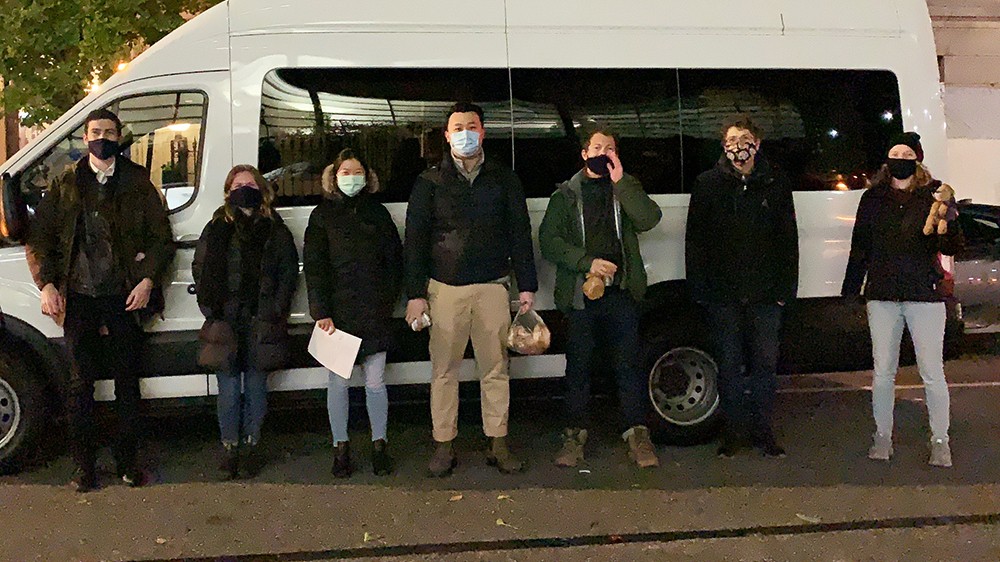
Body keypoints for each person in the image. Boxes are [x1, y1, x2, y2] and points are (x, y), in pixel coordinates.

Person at [28, 108, 175, 492]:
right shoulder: (66, 183)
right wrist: (46, 284)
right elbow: (40, 237)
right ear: (85, 138)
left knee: (128, 382)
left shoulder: (138, 182)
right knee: (81, 385)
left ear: (119, 136)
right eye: (96, 132)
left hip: (125, 295)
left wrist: (147, 281)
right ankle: (84, 468)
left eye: (109, 132)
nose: (103, 138)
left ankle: (127, 463)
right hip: (78, 297)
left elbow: (162, 238)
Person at [404, 102, 538, 476]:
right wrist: (415, 294)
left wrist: (526, 285)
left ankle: (498, 442)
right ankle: (444, 445)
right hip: (444, 290)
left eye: (472, 126)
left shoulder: (504, 178)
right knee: (444, 371)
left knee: (495, 369)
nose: (465, 133)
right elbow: (414, 241)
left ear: (483, 132)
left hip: (493, 287)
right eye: (457, 127)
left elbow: (520, 234)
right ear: (446, 135)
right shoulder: (428, 182)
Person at [538, 126, 663, 469]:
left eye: (609, 148)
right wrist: (586, 262)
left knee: (628, 366)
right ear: (583, 153)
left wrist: (623, 181)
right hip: (582, 297)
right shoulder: (565, 195)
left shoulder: (624, 187)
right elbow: (550, 242)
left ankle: (637, 436)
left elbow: (650, 218)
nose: (602, 153)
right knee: (578, 368)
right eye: (596, 147)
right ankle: (574, 437)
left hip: (621, 293)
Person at [842, 132, 963, 468]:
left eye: (907, 153)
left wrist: (948, 219)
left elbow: (952, 247)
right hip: (882, 296)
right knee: (882, 372)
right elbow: (860, 247)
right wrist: (851, 290)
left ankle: (940, 440)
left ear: (917, 159)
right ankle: (882, 436)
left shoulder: (934, 195)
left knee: (932, 372)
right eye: (894, 152)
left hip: (924, 295)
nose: (900, 158)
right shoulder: (873, 198)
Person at [685, 114, 799, 459]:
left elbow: (787, 240)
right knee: (729, 364)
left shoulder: (776, 182)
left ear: (758, 143)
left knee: (765, 365)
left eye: (745, 138)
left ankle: (763, 431)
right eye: (732, 140)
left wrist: (784, 292)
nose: (739, 146)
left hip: (766, 295)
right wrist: (700, 290)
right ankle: (733, 433)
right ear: (723, 146)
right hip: (723, 295)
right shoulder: (707, 183)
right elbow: (696, 242)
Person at [192, 164, 298, 479]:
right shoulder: (216, 227)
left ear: (262, 189)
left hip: (261, 319)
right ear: (228, 190)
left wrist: (276, 309)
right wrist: (211, 308)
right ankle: (229, 448)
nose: (244, 188)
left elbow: (287, 273)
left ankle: (252, 445)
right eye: (238, 183)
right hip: (225, 320)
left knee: (255, 386)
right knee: (227, 387)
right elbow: (201, 268)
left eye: (250, 183)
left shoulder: (275, 229)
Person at [304, 149, 403, 477]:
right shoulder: (321, 216)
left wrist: (387, 300)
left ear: (367, 176)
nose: (351, 178)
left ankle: (379, 444)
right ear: (333, 176)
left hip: (374, 310)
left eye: (356, 172)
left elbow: (394, 262)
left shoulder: (379, 214)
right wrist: (321, 311)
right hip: (337, 315)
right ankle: (340, 447)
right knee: (338, 382)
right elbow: (315, 268)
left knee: (376, 382)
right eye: (344, 172)